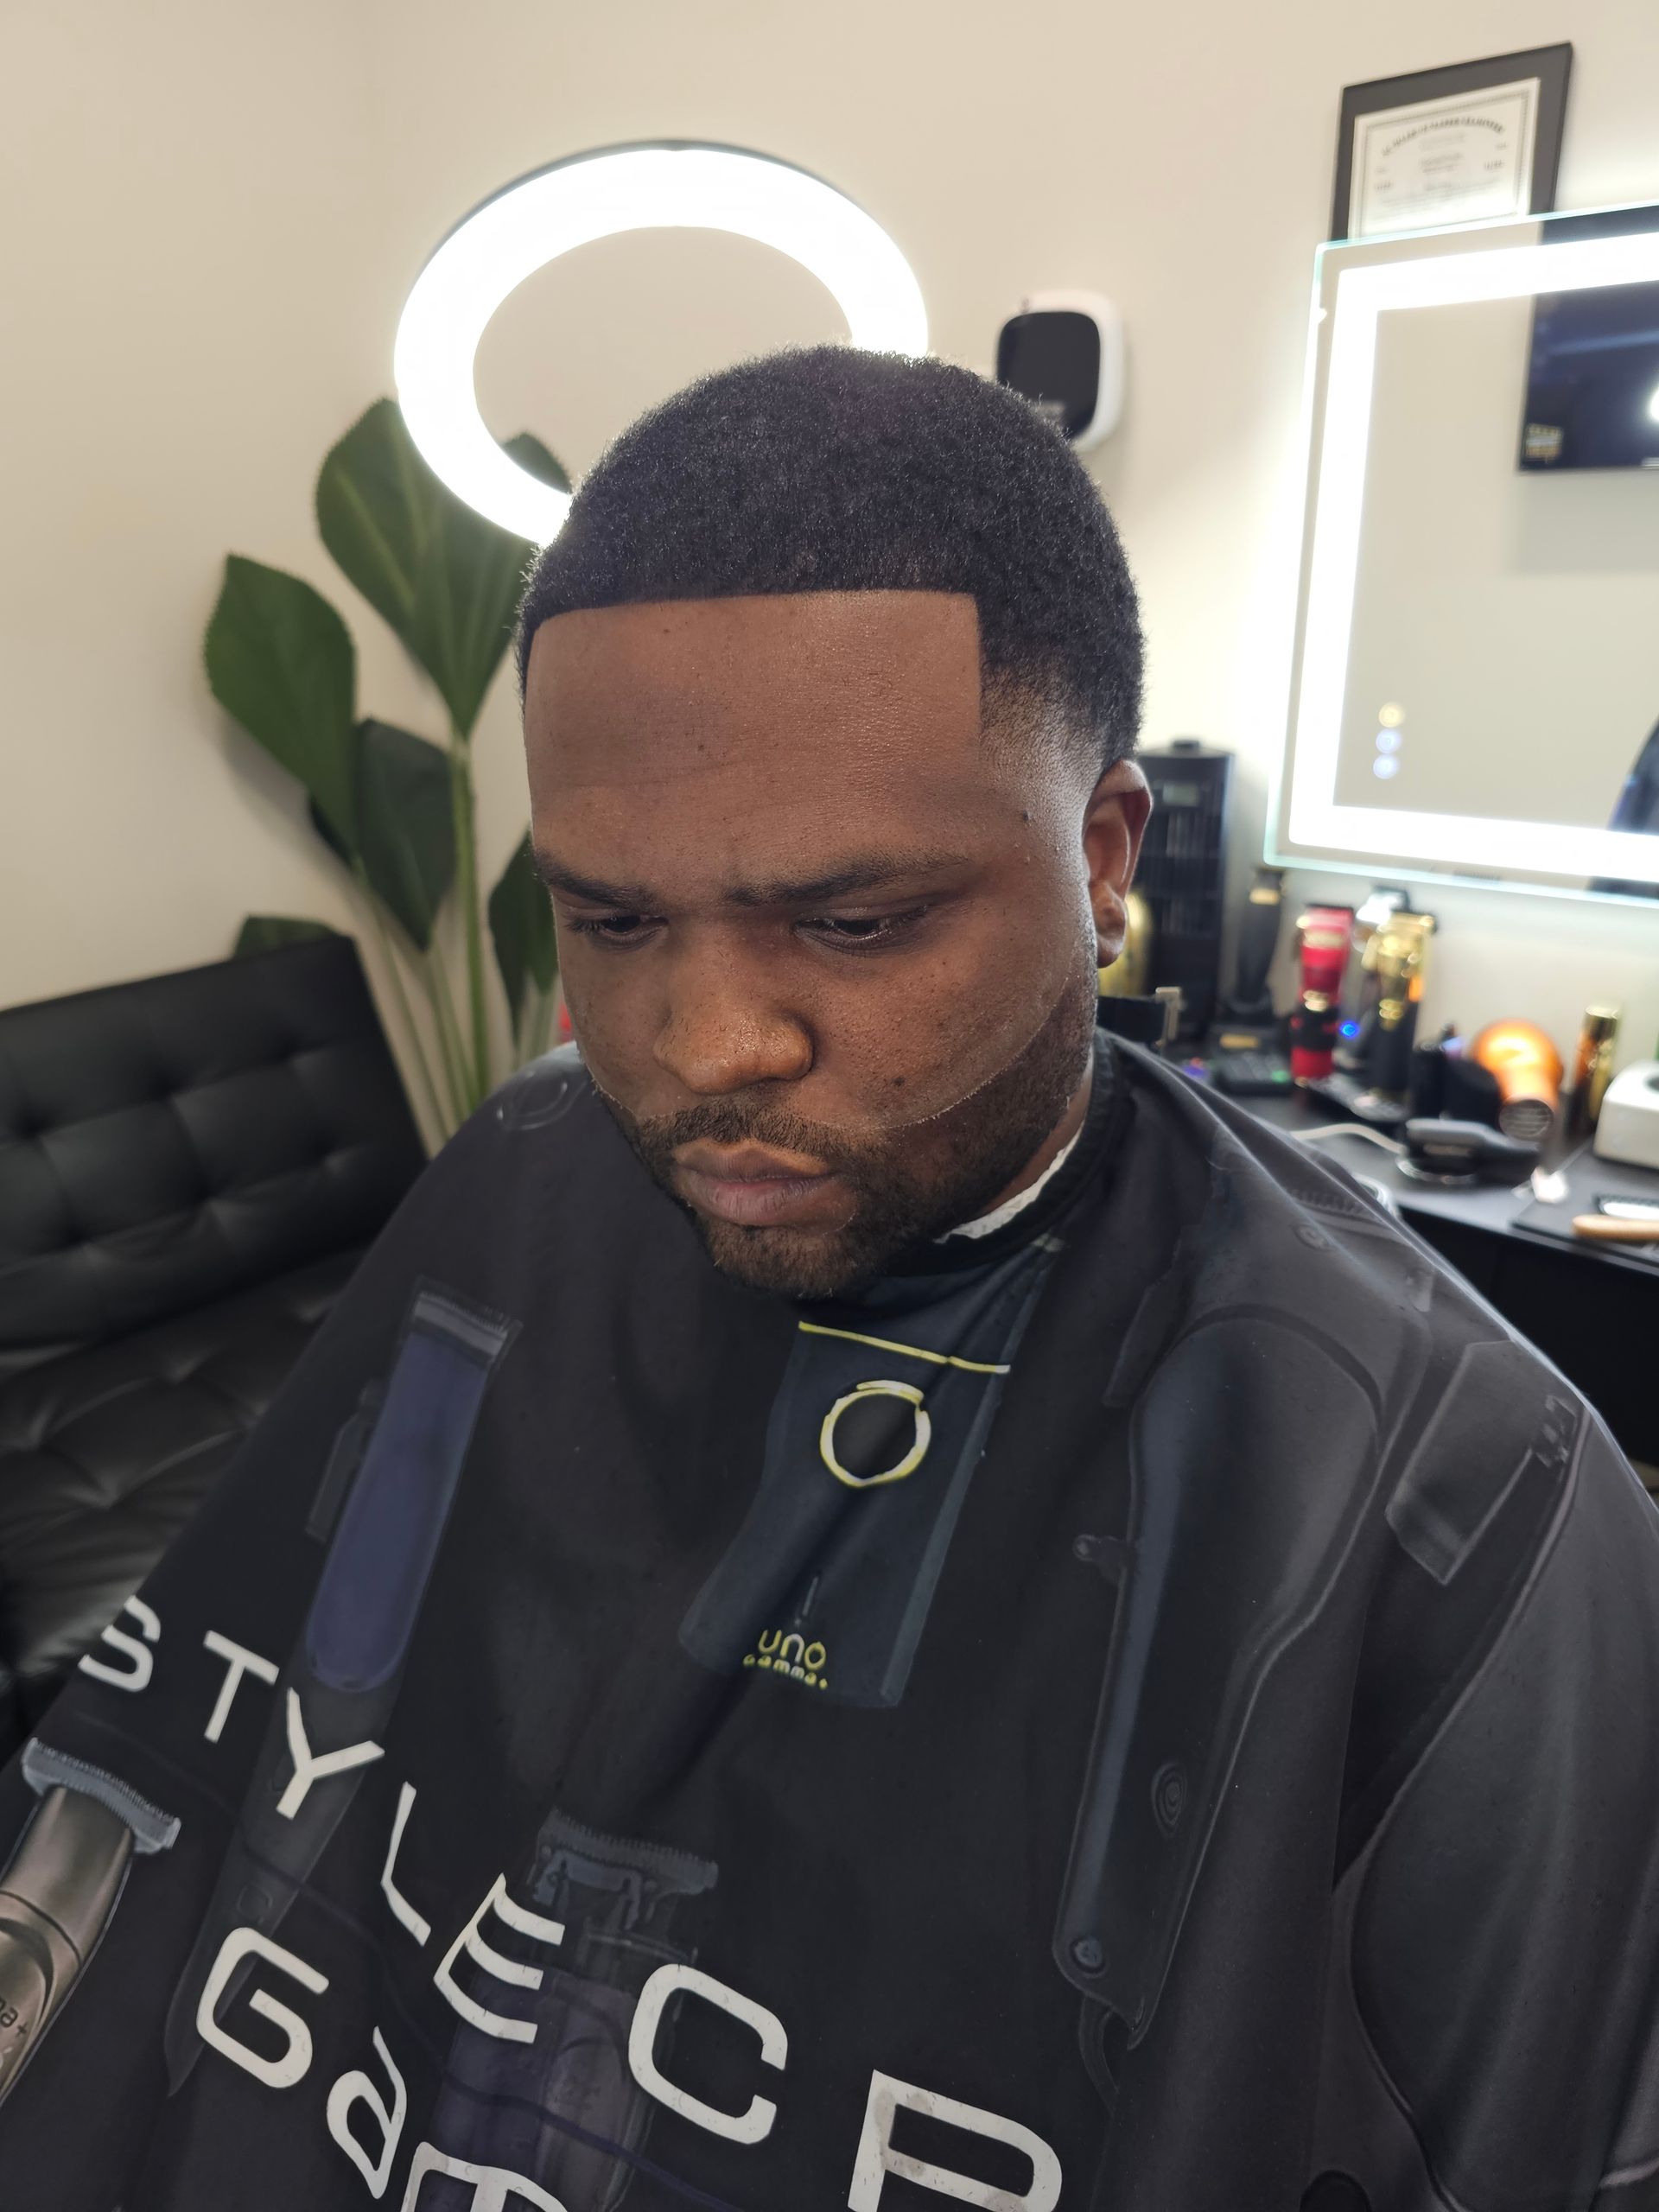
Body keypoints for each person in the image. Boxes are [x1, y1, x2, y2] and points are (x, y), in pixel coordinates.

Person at [2, 346, 1657, 2212]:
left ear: (1103, 857)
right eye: (611, 918)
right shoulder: (533, 1168)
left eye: (856, 921)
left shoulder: (1442, 1483)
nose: (705, 1043)